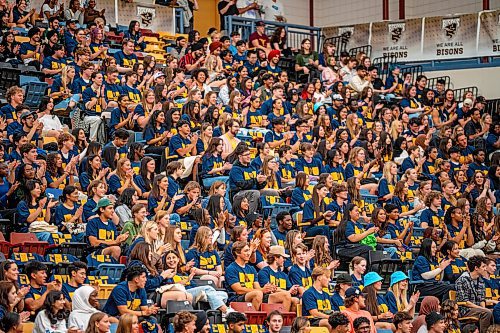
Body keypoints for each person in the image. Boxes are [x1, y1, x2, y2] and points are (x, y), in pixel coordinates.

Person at [455, 256, 493, 333]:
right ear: (476, 268)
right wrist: (483, 309)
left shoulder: (481, 280)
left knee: (495, 311)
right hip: (464, 310)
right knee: (487, 313)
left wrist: (483, 308)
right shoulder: (462, 280)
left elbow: (482, 299)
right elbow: (464, 302)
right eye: (483, 266)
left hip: (477, 309)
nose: (485, 269)